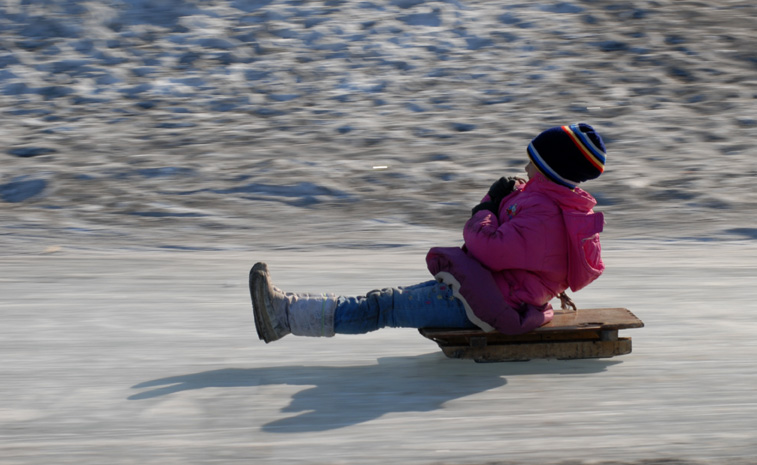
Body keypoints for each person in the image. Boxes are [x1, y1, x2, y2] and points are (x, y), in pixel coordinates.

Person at [249, 123, 607, 343]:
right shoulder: (550, 203)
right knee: (383, 301)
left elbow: (490, 248)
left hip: (488, 301)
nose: (526, 164)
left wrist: (486, 206)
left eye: (532, 158)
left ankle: (284, 316)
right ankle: (287, 313)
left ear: (548, 166)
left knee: (382, 305)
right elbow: (515, 246)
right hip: (489, 290)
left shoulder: (544, 212)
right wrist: (506, 198)